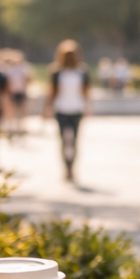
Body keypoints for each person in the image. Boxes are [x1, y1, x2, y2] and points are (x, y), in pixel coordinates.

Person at [46, 40, 90, 182]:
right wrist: (48, 107)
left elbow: (86, 91)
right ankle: (67, 167)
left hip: (76, 109)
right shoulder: (57, 72)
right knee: (64, 140)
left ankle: (71, 167)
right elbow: (53, 92)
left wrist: (87, 106)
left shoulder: (81, 72)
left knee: (74, 140)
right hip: (62, 109)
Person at [1, 49, 29, 135]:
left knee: (18, 111)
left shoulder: (19, 70)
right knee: (14, 111)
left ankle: (17, 127)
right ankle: (14, 127)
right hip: (15, 92)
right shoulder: (14, 71)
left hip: (17, 92)